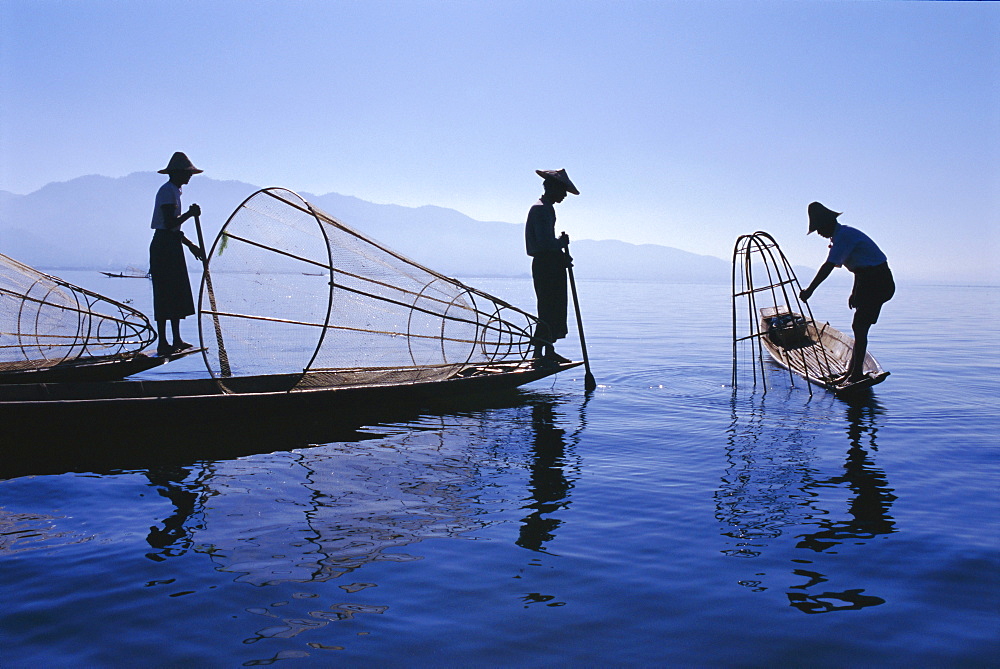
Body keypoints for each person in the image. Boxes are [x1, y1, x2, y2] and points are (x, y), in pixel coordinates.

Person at [799, 202, 895, 384]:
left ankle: (856, 373)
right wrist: (855, 292)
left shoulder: (843, 236)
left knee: (860, 326)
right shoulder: (840, 237)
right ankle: (852, 371)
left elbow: (828, 266)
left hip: (879, 282)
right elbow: (859, 266)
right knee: (858, 326)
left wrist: (809, 290)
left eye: (819, 228)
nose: (819, 233)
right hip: (867, 281)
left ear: (828, 223)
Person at [149, 152, 204, 356]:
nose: (190, 177)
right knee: (164, 293)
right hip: (163, 246)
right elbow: (169, 223)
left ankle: (177, 339)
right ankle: (164, 342)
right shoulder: (167, 191)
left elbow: (174, 229)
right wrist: (190, 214)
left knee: (176, 292)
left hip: (171, 243)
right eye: (187, 173)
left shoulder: (176, 191)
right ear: (177, 173)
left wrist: (190, 245)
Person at [525, 168, 579, 363]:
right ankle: (539, 353)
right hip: (545, 266)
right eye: (562, 190)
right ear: (552, 188)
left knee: (553, 308)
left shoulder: (547, 208)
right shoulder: (541, 209)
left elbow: (548, 245)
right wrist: (561, 243)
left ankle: (546, 351)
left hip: (550, 264)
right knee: (548, 308)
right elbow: (544, 243)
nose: (564, 195)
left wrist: (561, 255)